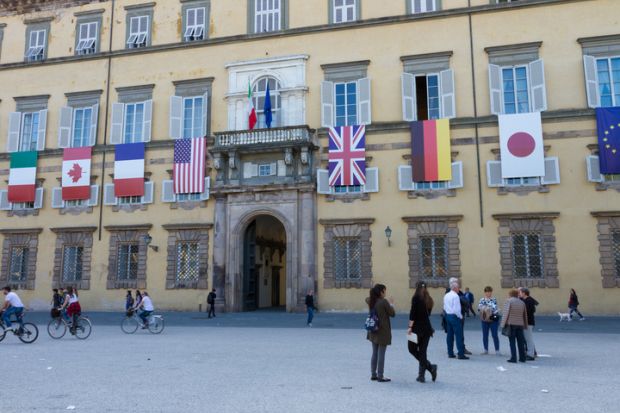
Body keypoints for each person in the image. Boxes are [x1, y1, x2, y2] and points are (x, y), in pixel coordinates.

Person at [407, 281, 438, 383]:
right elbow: (427, 315)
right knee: (422, 351)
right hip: (427, 329)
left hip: (417, 329)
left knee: (412, 349)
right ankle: (423, 375)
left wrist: (410, 327)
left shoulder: (416, 298)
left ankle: (429, 368)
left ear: (417, 287)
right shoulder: (429, 299)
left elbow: (413, 314)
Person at [366, 284, 395, 382]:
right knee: (381, 353)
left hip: (373, 329)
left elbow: (367, 298)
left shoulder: (371, 301)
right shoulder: (384, 302)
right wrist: (391, 304)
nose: (385, 293)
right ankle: (380, 375)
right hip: (383, 331)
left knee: (374, 352)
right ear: (381, 292)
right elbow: (393, 314)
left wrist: (373, 290)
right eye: (384, 291)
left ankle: (373, 374)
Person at [443, 277, 468, 360]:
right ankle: (461, 354)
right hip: (454, 316)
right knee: (459, 335)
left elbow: (445, 307)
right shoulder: (456, 296)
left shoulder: (446, 295)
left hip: (448, 316)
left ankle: (450, 353)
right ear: (455, 288)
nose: (459, 289)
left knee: (449, 335)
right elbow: (457, 310)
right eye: (458, 287)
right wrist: (460, 317)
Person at [501, 289, 528, 363]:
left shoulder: (509, 301)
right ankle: (522, 358)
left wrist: (503, 324)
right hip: (520, 324)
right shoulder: (522, 302)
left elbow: (506, 313)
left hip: (511, 324)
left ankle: (513, 358)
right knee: (520, 342)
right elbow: (524, 315)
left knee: (512, 341)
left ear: (510, 295)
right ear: (517, 295)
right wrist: (525, 325)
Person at [478, 286, 501, 356]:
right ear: (485, 292)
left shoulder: (494, 299)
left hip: (493, 319)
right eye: (487, 292)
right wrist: (487, 308)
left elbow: (495, 308)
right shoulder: (482, 300)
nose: (489, 293)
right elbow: (479, 309)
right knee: (485, 335)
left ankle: (497, 350)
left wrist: (487, 308)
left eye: (490, 292)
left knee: (495, 335)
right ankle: (485, 350)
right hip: (484, 320)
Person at [519, 287, 538, 360]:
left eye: (520, 292)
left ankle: (531, 355)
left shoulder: (528, 300)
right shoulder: (526, 300)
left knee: (529, 339)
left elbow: (528, 312)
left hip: (528, 322)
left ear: (524, 293)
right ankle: (531, 353)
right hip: (528, 322)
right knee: (528, 338)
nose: (519, 294)